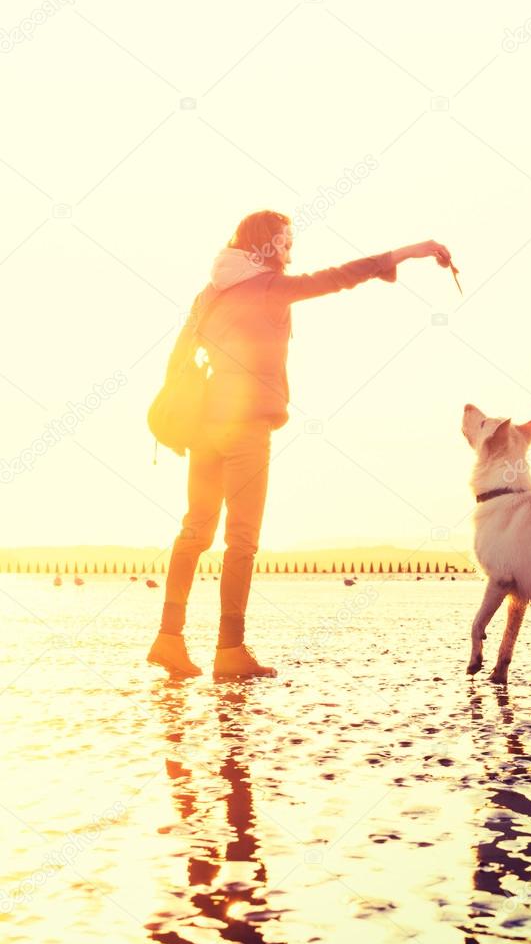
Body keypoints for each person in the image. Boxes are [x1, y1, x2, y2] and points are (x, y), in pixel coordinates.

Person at [147, 210, 452, 678]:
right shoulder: (269, 286)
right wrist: (405, 253)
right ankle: (230, 651)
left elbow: (177, 358)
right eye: (287, 241)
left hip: (206, 426)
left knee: (195, 530)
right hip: (246, 428)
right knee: (241, 540)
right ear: (267, 245)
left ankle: (169, 639)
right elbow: (338, 278)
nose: (292, 250)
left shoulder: (209, 292)